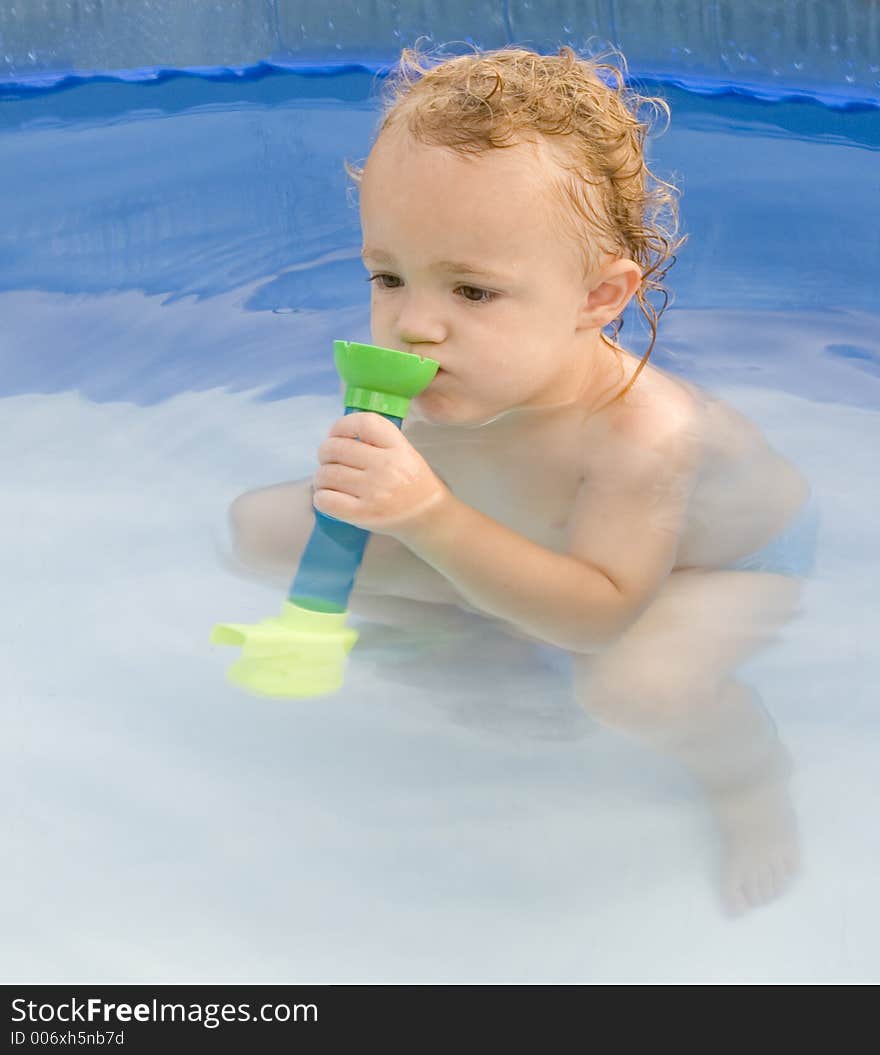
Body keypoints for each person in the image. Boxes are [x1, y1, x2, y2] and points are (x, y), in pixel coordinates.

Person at [227, 44, 818, 916]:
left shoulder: (640, 433)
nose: (413, 324)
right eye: (387, 276)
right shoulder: (450, 367)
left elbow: (601, 614)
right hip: (528, 539)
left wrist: (424, 512)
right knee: (262, 528)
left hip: (713, 567)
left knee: (633, 686)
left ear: (598, 297)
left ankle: (748, 783)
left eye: (472, 292)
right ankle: (481, 652)